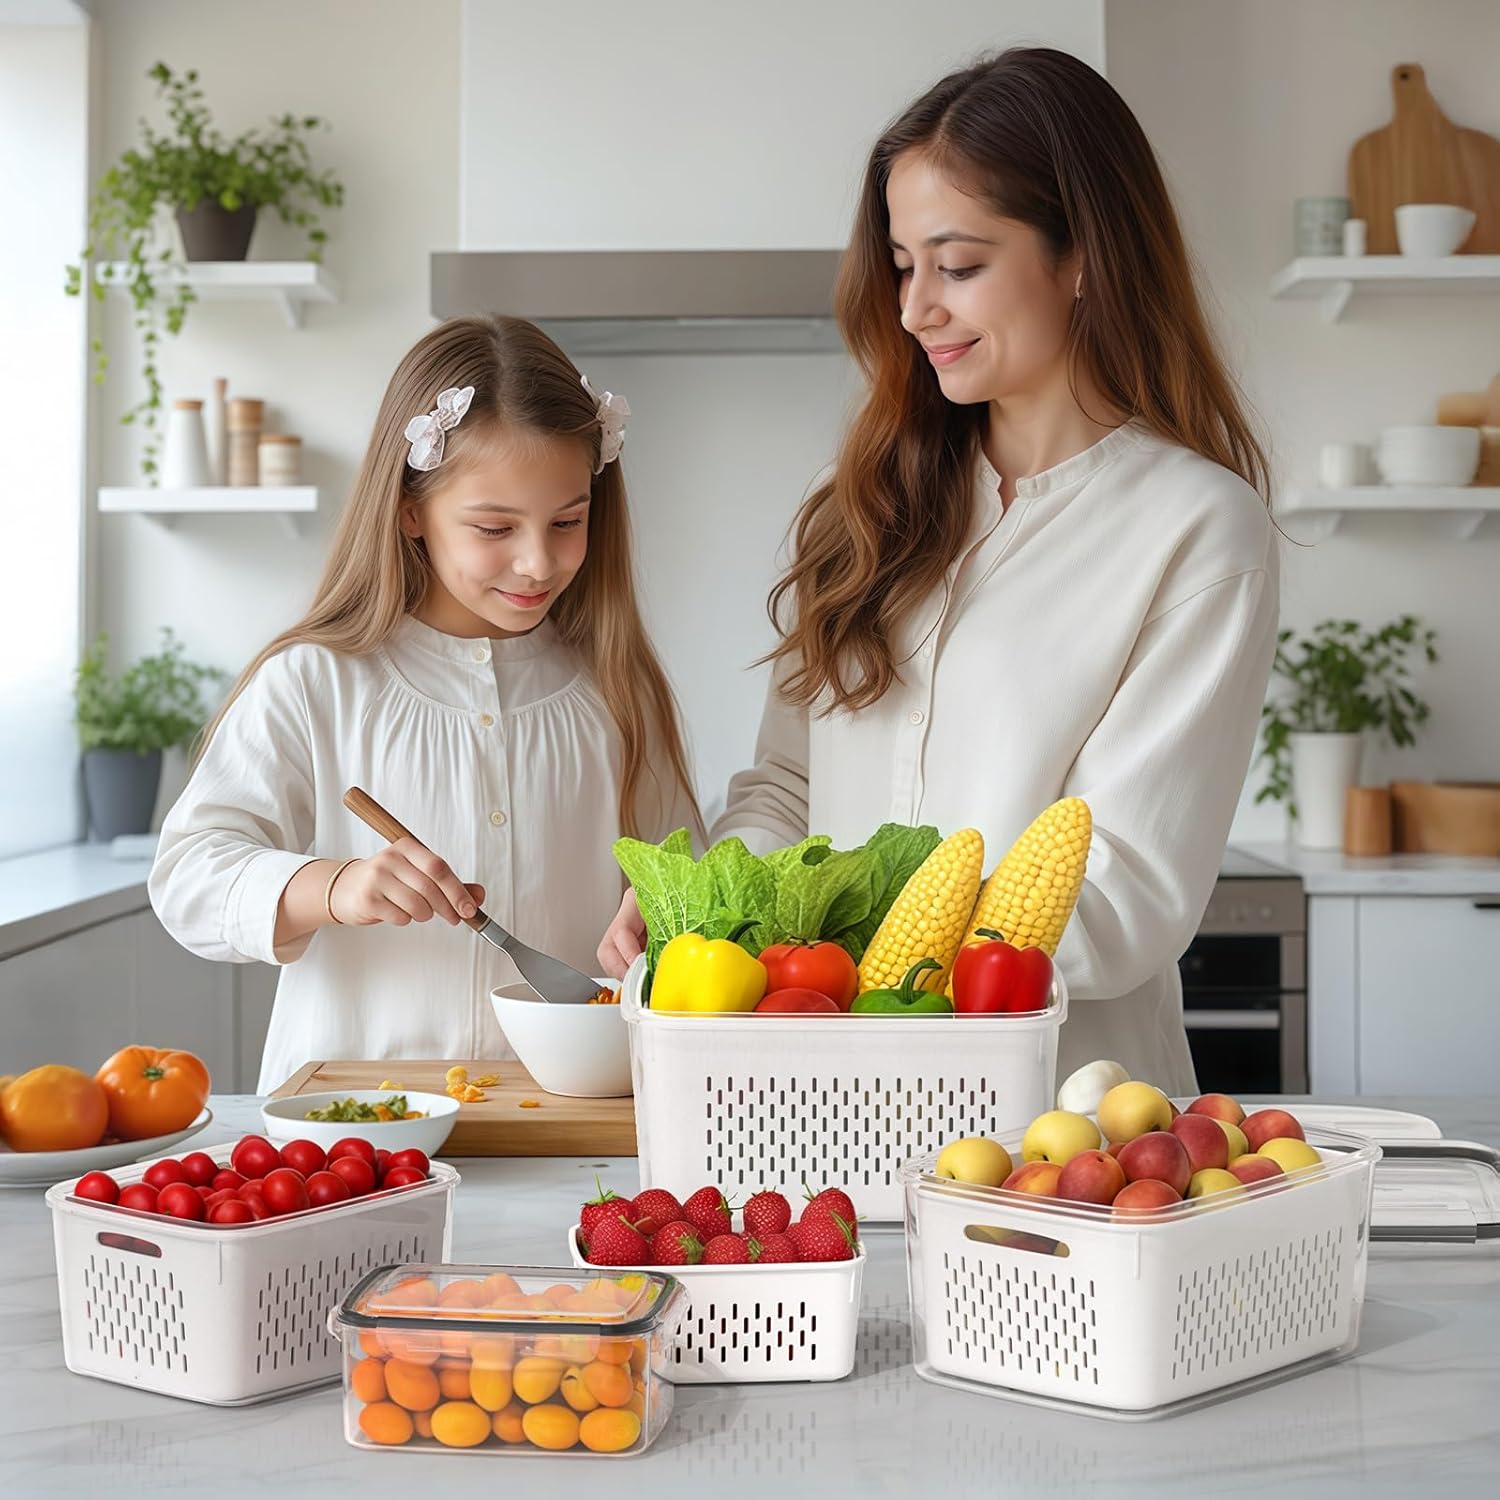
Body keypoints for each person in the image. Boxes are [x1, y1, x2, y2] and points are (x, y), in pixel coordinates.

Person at [599, 49, 1278, 1094]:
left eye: (958, 266)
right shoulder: (861, 501)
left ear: (1083, 256)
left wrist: (842, 954)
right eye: (904, 267)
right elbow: (787, 785)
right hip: (823, 1090)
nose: (916, 310)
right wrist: (717, 905)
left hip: (1060, 1117)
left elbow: (1126, 892)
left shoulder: (1196, 529)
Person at [152, 314, 701, 1093]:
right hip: (353, 1135)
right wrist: (332, 887)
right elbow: (187, 878)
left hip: (569, 1123)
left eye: (568, 522)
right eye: (494, 527)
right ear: (412, 510)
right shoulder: (315, 682)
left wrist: (665, 909)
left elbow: (689, 871)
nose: (538, 560)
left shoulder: (614, 686)